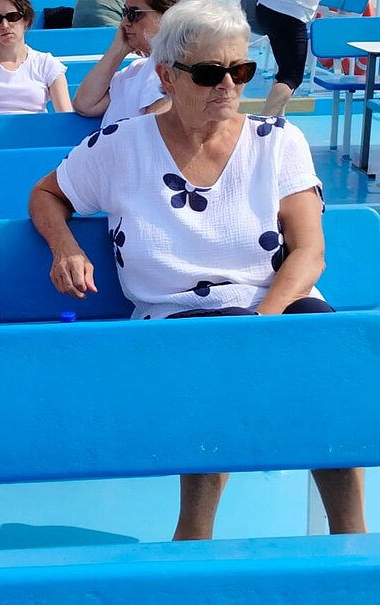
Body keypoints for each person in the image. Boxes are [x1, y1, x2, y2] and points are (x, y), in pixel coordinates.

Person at [29, 0, 367, 541]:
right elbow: (47, 194)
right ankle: (195, 534)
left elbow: (309, 252)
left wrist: (263, 321)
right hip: (174, 318)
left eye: (241, 70)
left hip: (273, 307)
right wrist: (65, 246)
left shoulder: (278, 143)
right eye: (210, 73)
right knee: (217, 351)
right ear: (166, 75)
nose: (228, 86)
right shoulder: (122, 145)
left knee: (322, 350)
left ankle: (352, 540)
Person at [0, 0, 72, 115]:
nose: (4, 25)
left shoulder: (47, 64)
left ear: (26, 20)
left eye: (13, 17)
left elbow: (66, 117)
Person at [73, 0, 175, 127]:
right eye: (124, 12)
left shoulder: (172, 71)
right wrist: (118, 50)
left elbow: (156, 131)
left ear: (168, 17)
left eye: (134, 14)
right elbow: (85, 104)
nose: (124, 23)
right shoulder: (135, 69)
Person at [256, 0, 319, 116]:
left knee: (284, 73)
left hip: (266, 9)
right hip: (290, 15)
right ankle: (264, 121)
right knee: (291, 78)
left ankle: (278, 121)